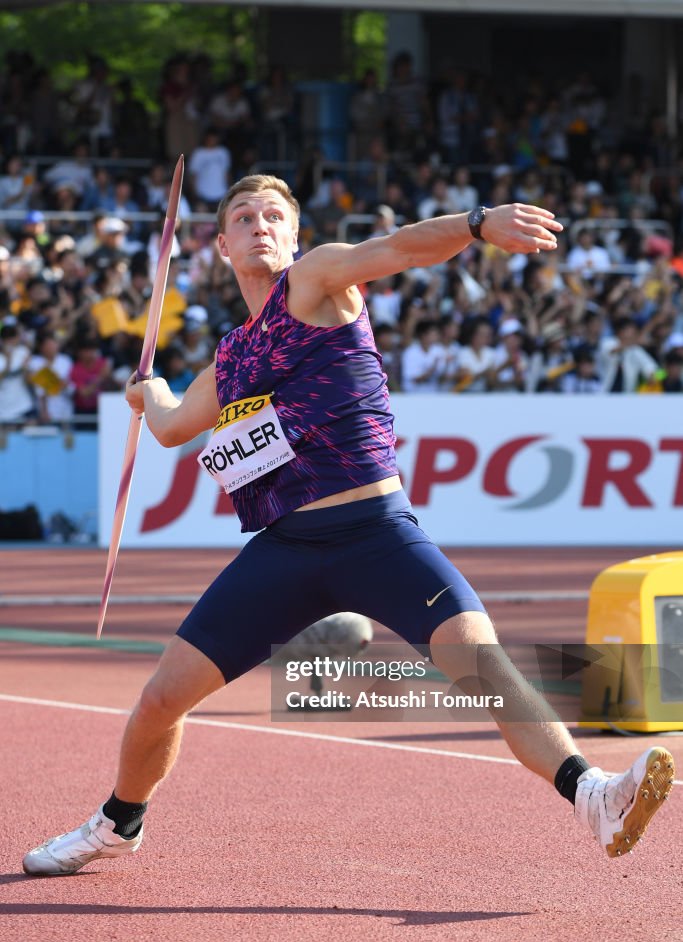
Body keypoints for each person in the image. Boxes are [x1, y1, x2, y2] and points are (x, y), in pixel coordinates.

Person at [23, 176, 675, 876]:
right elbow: (175, 424)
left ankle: (594, 796)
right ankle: (118, 823)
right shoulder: (232, 354)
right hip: (286, 550)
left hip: (377, 535)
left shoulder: (315, 278)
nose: (260, 226)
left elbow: (398, 247)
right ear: (220, 245)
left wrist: (479, 223)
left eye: (274, 215)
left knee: (482, 667)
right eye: (243, 218)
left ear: (295, 235)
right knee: (160, 698)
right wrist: (148, 394)